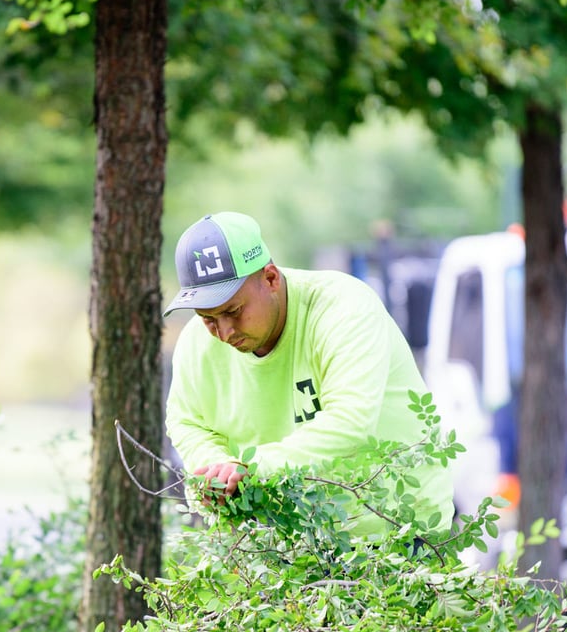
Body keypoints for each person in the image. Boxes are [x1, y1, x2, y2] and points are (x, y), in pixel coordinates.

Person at [163, 211, 454, 536]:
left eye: (233, 310)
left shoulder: (344, 308)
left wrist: (250, 468)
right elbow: (187, 420)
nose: (225, 331)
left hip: (398, 530)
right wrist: (215, 466)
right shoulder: (197, 342)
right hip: (294, 538)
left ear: (271, 278)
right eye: (208, 317)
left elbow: (350, 421)